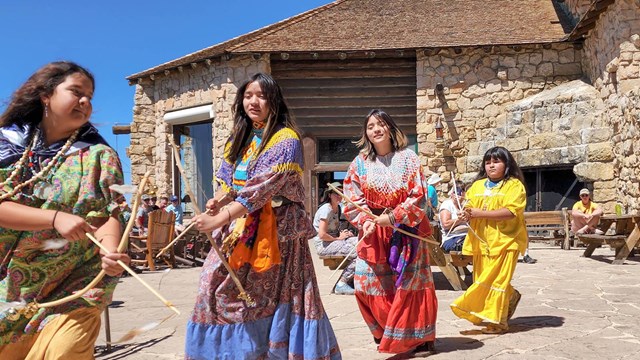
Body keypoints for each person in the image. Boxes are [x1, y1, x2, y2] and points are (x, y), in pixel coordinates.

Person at [188, 73, 340, 359]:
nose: (253, 101)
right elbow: (227, 179)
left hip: (278, 233)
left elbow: (261, 189)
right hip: (239, 228)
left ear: (274, 101)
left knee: (271, 298)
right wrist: (218, 200)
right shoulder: (238, 139)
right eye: (248, 95)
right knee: (213, 285)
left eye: (261, 96)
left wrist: (218, 219)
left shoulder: (286, 140)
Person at [0, 61, 129, 358]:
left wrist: (110, 251)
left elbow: (108, 213)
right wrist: (55, 218)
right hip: (12, 285)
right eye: (76, 92)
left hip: (76, 281)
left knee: (65, 350)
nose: (85, 102)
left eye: (90, 97)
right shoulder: (7, 145)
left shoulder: (99, 155)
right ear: (46, 94)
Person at [343, 109, 437, 355]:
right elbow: (352, 198)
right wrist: (364, 220)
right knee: (365, 283)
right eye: (371, 125)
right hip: (374, 230)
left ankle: (420, 338)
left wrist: (394, 217)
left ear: (391, 128)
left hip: (406, 230)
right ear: (366, 133)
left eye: (381, 124)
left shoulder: (409, 159)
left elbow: (419, 195)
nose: (376, 129)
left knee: (412, 284)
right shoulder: (359, 163)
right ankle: (386, 333)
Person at [451, 146, 527, 334]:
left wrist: (479, 213)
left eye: (496, 161)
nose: (491, 166)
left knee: (497, 281)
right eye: (488, 162)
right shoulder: (477, 186)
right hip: (482, 242)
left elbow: (511, 212)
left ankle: (499, 322)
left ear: (507, 164)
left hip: (506, 240)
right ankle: (511, 297)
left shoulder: (514, 185)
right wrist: (462, 209)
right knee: (484, 280)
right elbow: (470, 210)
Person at [313, 182, 357, 295]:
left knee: (359, 242)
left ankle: (351, 279)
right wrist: (339, 238)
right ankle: (342, 283)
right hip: (324, 245)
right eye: (336, 193)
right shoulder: (326, 210)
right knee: (358, 251)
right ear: (330, 195)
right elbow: (322, 235)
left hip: (333, 241)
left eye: (341, 193)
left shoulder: (337, 208)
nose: (339, 196)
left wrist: (344, 234)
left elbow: (335, 230)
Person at [439, 181, 468, 253]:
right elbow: (445, 224)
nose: (458, 195)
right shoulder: (447, 204)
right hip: (452, 238)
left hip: (466, 235)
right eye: (456, 192)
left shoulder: (463, 207)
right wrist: (459, 219)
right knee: (468, 243)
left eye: (461, 192)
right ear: (452, 193)